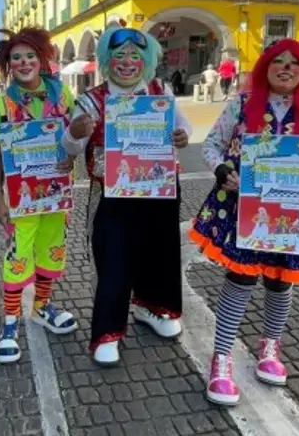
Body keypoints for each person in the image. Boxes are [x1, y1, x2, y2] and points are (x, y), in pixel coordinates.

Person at [189, 38, 299, 406]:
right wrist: (222, 170)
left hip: (295, 210)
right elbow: (211, 147)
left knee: (280, 283)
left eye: (295, 64)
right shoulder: (240, 105)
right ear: (265, 67)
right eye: (278, 62)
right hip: (244, 209)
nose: (286, 68)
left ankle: (270, 348)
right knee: (239, 280)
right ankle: (221, 359)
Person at [61, 26, 192, 366]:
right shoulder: (91, 99)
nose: (128, 62)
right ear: (107, 60)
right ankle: (108, 331)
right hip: (112, 193)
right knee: (114, 259)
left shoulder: (159, 90)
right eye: (119, 56)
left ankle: (154, 309)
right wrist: (75, 132)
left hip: (159, 189)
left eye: (135, 56)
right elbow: (69, 147)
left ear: (146, 60)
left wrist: (182, 136)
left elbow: (184, 125)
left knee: (160, 252)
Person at [0, 27, 78, 364]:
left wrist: (74, 148)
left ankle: (42, 307)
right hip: (20, 197)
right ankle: (10, 324)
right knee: (17, 256)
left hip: (57, 193)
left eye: (30, 56)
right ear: (8, 65)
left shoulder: (64, 95)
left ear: (42, 59)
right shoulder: (1, 102)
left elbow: (76, 139)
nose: (24, 62)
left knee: (51, 251)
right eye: (16, 58)